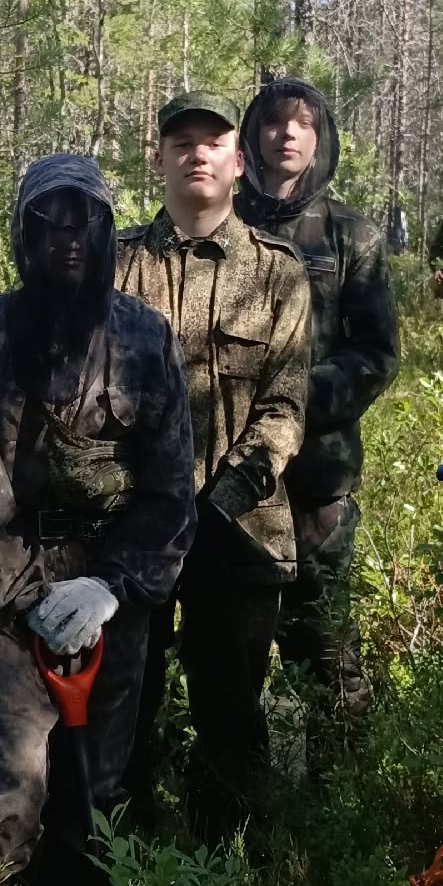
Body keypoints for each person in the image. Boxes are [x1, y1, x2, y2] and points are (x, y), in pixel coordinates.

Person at [0, 154, 195, 886]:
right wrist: (29, 596)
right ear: (23, 235)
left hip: (113, 599)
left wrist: (111, 588)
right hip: (8, 598)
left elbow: (170, 489)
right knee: (4, 796)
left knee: (101, 789)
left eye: (84, 220)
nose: (68, 239)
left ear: (109, 232)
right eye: (47, 222)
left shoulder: (148, 339)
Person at [114, 90, 312, 838]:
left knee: (230, 721)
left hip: (240, 536)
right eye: (181, 141)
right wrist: (146, 509)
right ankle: (121, 877)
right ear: (159, 159)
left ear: (237, 161)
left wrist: (214, 505)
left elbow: (285, 409)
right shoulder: (118, 266)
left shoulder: (277, 274)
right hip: (131, 533)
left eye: (212, 141)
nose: (197, 152)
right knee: (123, 714)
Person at [237, 76, 399, 727]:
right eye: (275, 123)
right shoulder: (223, 223)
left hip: (318, 477)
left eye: (303, 123)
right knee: (231, 653)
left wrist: (295, 400)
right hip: (233, 480)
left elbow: (378, 352)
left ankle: (339, 799)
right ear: (254, 136)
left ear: (320, 138)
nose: (288, 134)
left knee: (324, 651)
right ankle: (239, 803)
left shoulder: (349, 234)